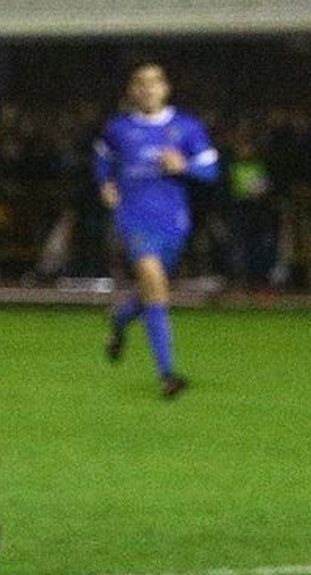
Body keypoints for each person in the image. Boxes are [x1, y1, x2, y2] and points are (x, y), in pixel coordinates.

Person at [93, 62, 218, 399]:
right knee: (154, 284)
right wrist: (105, 184)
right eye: (140, 83)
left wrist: (185, 166)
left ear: (166, 88)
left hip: (173, 221)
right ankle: (168, 375)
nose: (148, 88)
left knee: (153, 292)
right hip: (134, 219)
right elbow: (101, 158)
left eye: (154, 82)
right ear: (132, 91)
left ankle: (119, 321)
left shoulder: (186, 127)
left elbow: (212, 170)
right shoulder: (119, 129)